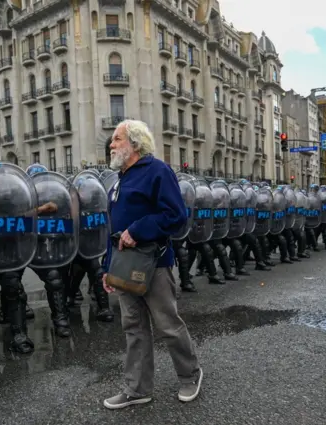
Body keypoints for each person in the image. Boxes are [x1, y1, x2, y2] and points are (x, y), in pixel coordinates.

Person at [101, 120, 202, 409]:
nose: (112, 144)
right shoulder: (120, 177)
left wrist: (139, 230)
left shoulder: (157, 170)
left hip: (154, 263)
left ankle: (190, 374)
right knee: (133, 328)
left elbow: (176, 215)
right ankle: (137, 389)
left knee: (168, 325)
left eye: (117, 139)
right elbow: (114, 228)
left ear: (134, 143)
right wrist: (107, 268)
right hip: (123, 266)